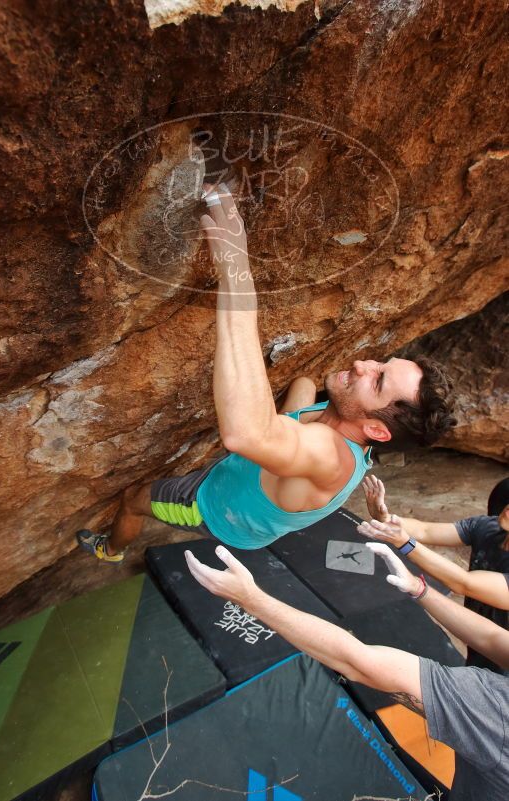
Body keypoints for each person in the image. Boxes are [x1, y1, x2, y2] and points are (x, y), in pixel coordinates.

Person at [77, 184, 455, 563]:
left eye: (377, 380)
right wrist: (293, 403)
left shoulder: (332, 456)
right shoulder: (351, 429)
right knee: (301, 390)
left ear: (376, 430)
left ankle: (110, 549)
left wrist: (237, 272)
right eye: (380, 363)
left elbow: (246, 434)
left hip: (211, 506)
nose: (361, 364)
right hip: (254, 511)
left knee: (133, 500)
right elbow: (303, 390)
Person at [184, 543, 509, 801]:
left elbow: (359, 662)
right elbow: (494, 639)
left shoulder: (494, 709)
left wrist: (251, 600)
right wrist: (419, 589)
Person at [360, 475, 509, 673]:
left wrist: (404, 543)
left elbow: (464, 584)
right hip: (477, 639)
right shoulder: (488, 527)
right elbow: (426, 530)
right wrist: (385, 518)